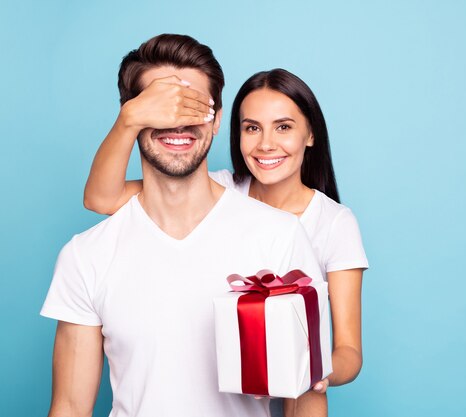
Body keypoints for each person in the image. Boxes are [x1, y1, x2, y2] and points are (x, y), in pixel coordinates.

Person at [41, 34, 325, 417]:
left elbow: (305, 396)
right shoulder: (86, 254)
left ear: (218, 119)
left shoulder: (279, 236)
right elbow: (70, 407)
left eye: (193, 106)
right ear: (131, 116)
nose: (178, 122)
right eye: (161, 107)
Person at [84, 66, 368, 417]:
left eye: (284, 127)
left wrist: (311, 370)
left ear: (311, 134)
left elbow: (349, 351)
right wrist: (130, 118)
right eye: (251, 128)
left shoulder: (334, 223)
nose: (266, 144)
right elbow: (101, 198)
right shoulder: (217, 191)